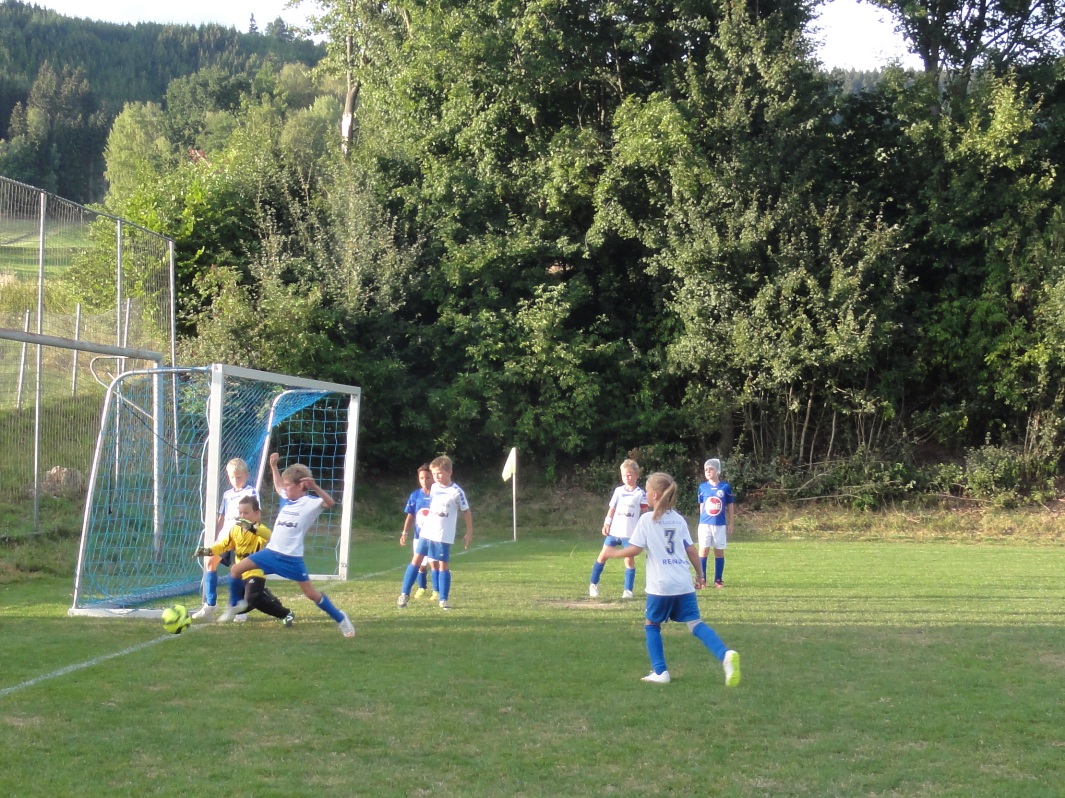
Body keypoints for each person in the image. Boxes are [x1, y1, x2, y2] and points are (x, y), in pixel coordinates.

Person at [603, 471, 740, 686]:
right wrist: (700, 574)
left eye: (647, 491)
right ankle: (725, 654)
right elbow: (691, 550)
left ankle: (661, 672)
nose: (645, 495)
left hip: (661, 586)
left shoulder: (647, 520)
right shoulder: (678, 519)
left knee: (651, 625)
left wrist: (613, 553)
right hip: (683, 583)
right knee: (696, 624)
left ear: (655, 495)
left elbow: (635, 549)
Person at [227, 462, 355, 637]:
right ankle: (236, 604)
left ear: (301, 485)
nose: (285, 488)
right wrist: (273, 466)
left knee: (311, 594)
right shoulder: (287, 498)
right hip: (271, 553)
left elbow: (330, 502)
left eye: (288, 485)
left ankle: (341, 618)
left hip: (291, 558)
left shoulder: (310, 503)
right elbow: (278, 485)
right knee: (235, 570)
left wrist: (314, 487)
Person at [194, 495, 294, 626]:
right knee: (241, 607)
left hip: (255, 572)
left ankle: (285, 613)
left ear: (256, 514)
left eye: (246, 513)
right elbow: (224, 545)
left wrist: (251, 527)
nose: (242, 515)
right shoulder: (235, 529)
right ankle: (265, 596)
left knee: (251, 599)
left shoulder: (259, 529)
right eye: (240, 512)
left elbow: (270, 535)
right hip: (240, 575)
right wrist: (208, 551)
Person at [397, 455, 472, 610]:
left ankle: (443, 599)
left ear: (449, 471)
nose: (436, 477)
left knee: (443, 565)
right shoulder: (434, 488)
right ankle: (404, 594)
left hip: (443, 534)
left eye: (439, 473)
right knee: (416, 560)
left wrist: (469, 532)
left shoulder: (457, 492)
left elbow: (466, 511)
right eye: (434, 474)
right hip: (427, 532)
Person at [193, 457, 258, 620]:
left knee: (239, 570)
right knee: (210, 562)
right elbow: (221, 516)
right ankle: (211, 604)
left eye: (239, 477)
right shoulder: (227, 495)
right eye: (232, 477)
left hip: (242, 538)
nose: (236, 480)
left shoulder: (251, 492)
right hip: (225, 537)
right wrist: (215, 537)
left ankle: (239, 609)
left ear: (246, 475)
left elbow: (256, 516)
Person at [589, 459, 647, 599]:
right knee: (603, 556)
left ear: (637, 475)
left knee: (629, 560)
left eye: (630, 475)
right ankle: (593, 584)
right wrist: (607, 523)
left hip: (630, 533)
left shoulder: (640, 493)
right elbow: (612, 508)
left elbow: (645, 512)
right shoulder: (618, 491)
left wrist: (644, 529)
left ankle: (628, 590)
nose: (627, 478)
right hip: (615, 531)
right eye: (624, 475)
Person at [400, 464, 438, 599]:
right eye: (421, 478)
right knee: (421, 564)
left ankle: (436, 591)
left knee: (434, 563)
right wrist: (404, 532)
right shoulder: (415, 495)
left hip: (435, 536)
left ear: (432, 478)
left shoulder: (437, 494)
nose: (424, 481)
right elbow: (410, 515)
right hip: (419, 536)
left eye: (427, 478)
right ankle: (422, 587)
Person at [697, 458, 735, 588]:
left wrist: (731, 523)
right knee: (703, 550)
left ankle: (718, 580)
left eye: (711, 469)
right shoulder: (702, 487)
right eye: (706, 470)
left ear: (717, 471)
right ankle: (702, 579)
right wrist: (701, 520)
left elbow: (730, 506)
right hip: (705, 524)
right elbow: (702, 505)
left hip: (719, 524)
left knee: (719, 552)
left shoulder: (725, 487)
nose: (708, 471)